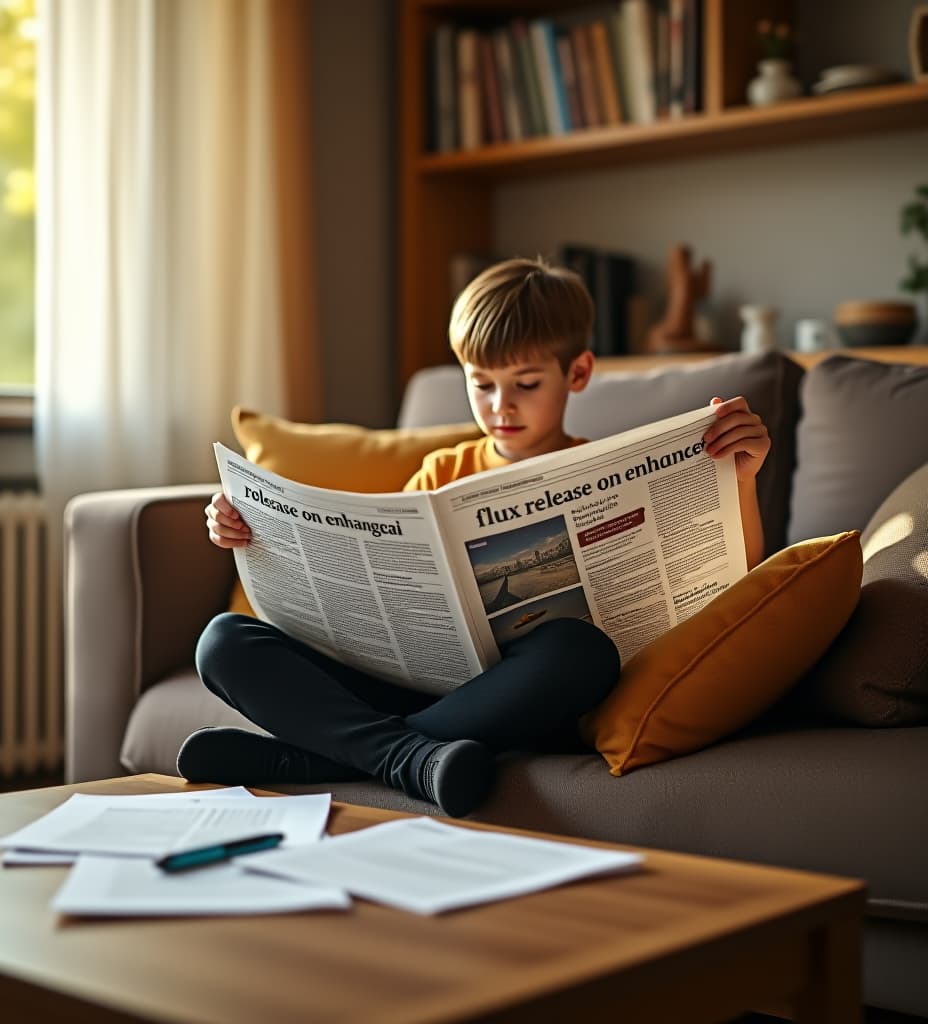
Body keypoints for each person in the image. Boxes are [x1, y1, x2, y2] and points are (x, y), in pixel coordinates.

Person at [178, 257, 771, 817]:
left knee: (581, 652)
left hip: (527, 699)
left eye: (526, 384)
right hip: (412, 688)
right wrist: (248, 536)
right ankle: (406, 757)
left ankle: (322, 757)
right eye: (481, 384)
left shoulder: (609, 467)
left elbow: (737, 586)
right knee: (223, 641)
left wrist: (739, 481)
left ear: (578, 372)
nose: (500, 405)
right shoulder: (441, 473)